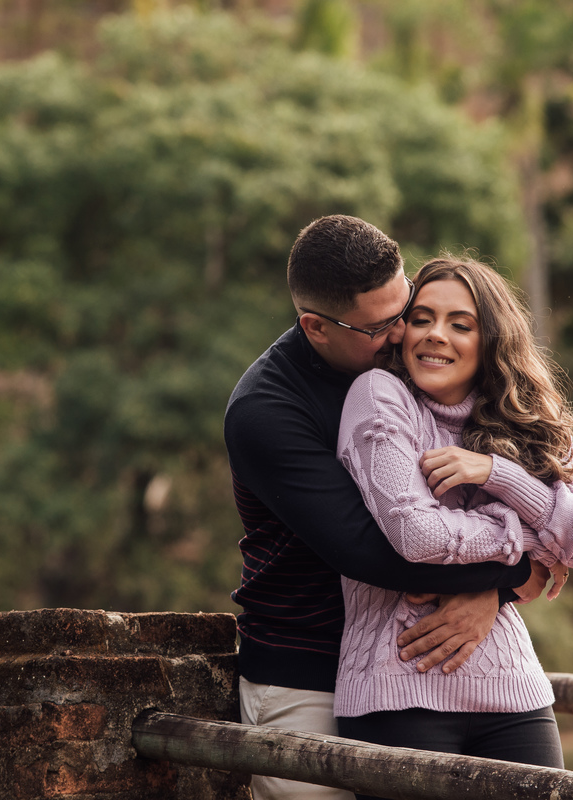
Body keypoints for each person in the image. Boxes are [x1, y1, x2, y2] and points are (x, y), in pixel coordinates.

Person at [225, 217, 538, 800]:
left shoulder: (407, 371)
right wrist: (516, 573)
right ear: (314, 326)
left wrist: (503, 579)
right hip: (308, 675)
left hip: (419, 664)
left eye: (406, 309)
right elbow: (373, 551)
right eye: (380, 326)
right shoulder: (267, 412)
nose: (403, 335)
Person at [333, 256, 573, 794]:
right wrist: (528, 550)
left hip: (515, 691)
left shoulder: (529, 417)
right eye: (422, 319)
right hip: (400, 688)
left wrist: (502, 477)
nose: (435, 336)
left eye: (460, 324)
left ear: (491, 340)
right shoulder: (379, 396)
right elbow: (418, 536)